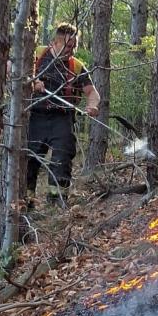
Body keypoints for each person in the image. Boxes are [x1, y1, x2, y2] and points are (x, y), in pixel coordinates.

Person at [26, 22, 100, 206]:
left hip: (62, 118)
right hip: (34, 116)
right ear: (54, 43)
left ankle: (56, 204)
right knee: (29, 161)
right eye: (68, 46)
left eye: (74, 46)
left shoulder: (75, 66)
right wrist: (31, 81)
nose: (71, 51)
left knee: (62, 160)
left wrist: (92, 106)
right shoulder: (35, 55)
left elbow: (92, 93)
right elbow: (10, 68)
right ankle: (26, 205)